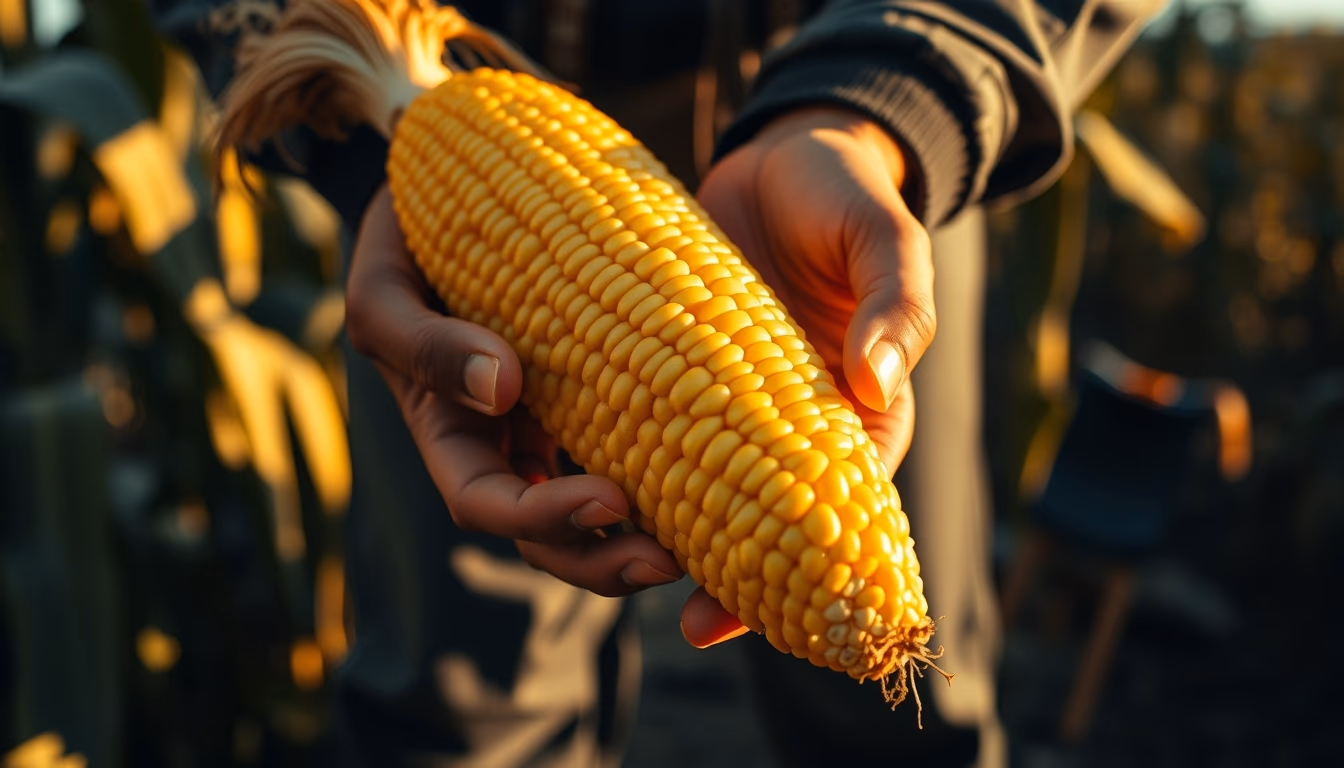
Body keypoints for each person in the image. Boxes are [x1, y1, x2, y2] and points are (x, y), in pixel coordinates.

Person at [153, 0, 1166, 765]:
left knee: (904, 732)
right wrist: (360, 151)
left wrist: (895, 85)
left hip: (848, 129)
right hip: (437, 215)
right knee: (461, 714)